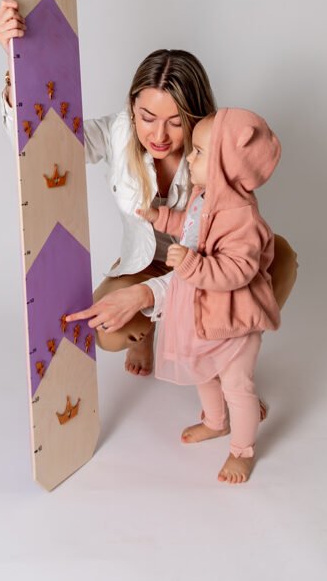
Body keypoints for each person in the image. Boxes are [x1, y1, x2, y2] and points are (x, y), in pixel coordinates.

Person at [0, 0, 297, 378]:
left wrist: (143, 295)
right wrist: (15, 65)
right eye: (147, 117)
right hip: (145, 261)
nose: (158, 135)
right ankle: (149, 332)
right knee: (108, 332)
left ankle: (232, 358)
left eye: (175, 122)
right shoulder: (118, 131)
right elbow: (40, 143)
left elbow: (229, 261)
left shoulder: (219, 153)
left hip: (209, 265)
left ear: (196, 116)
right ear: (131, 107)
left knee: (279, 260)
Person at [99, 107, 283, 484]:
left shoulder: (242, 217)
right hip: (204, 311)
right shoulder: (205, 195)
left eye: (199, 153)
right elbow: (189, 226)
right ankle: (215, 422)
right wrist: (160, 220)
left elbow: (238, 269)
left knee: (237, 385)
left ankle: (242, 450)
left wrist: (191, 266)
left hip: (233, 317)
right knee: (203, 372)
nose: (191, 159)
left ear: (226, 164)